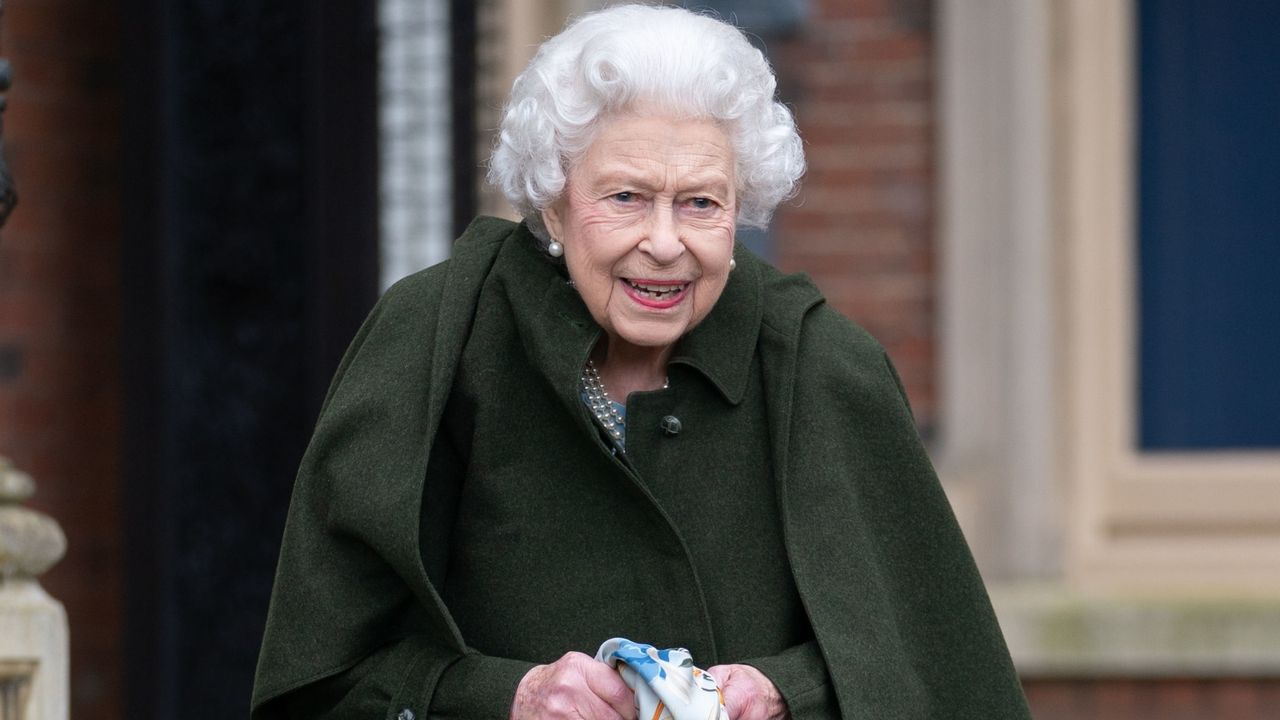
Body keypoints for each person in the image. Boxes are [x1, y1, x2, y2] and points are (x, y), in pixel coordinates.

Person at [251, 5, 1032, 719]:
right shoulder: (434, 340)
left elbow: (935, 676)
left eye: (700, 202)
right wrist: (508, 697)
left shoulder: (825, 367)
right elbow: (322, 684)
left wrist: (782, 693)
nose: (665, 243)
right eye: (625, 197)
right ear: (553, 200)